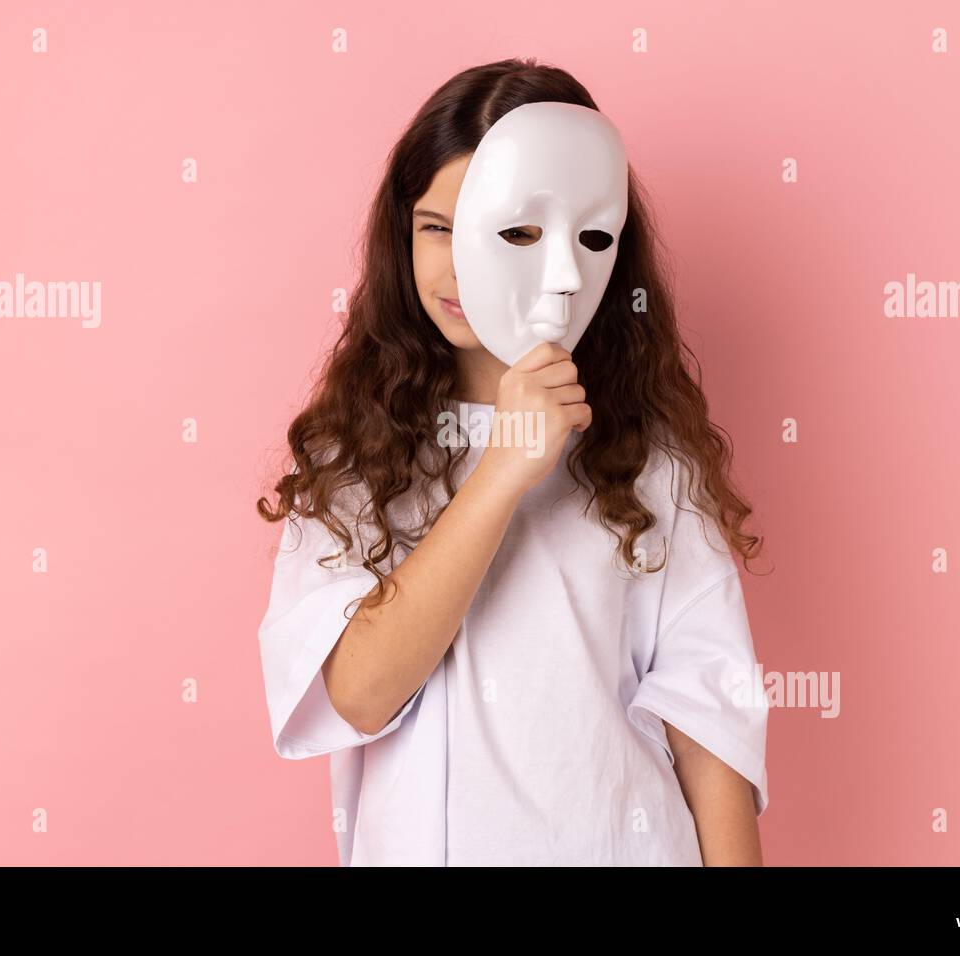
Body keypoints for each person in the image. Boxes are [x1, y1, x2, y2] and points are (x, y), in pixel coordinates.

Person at [255, 56, 771, 866]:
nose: (462, 266)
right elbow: (357, 694)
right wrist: (503, 472)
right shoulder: (352, 456)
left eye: (513, 232)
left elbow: (710, 721)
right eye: (437, 229)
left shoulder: (652, 462)